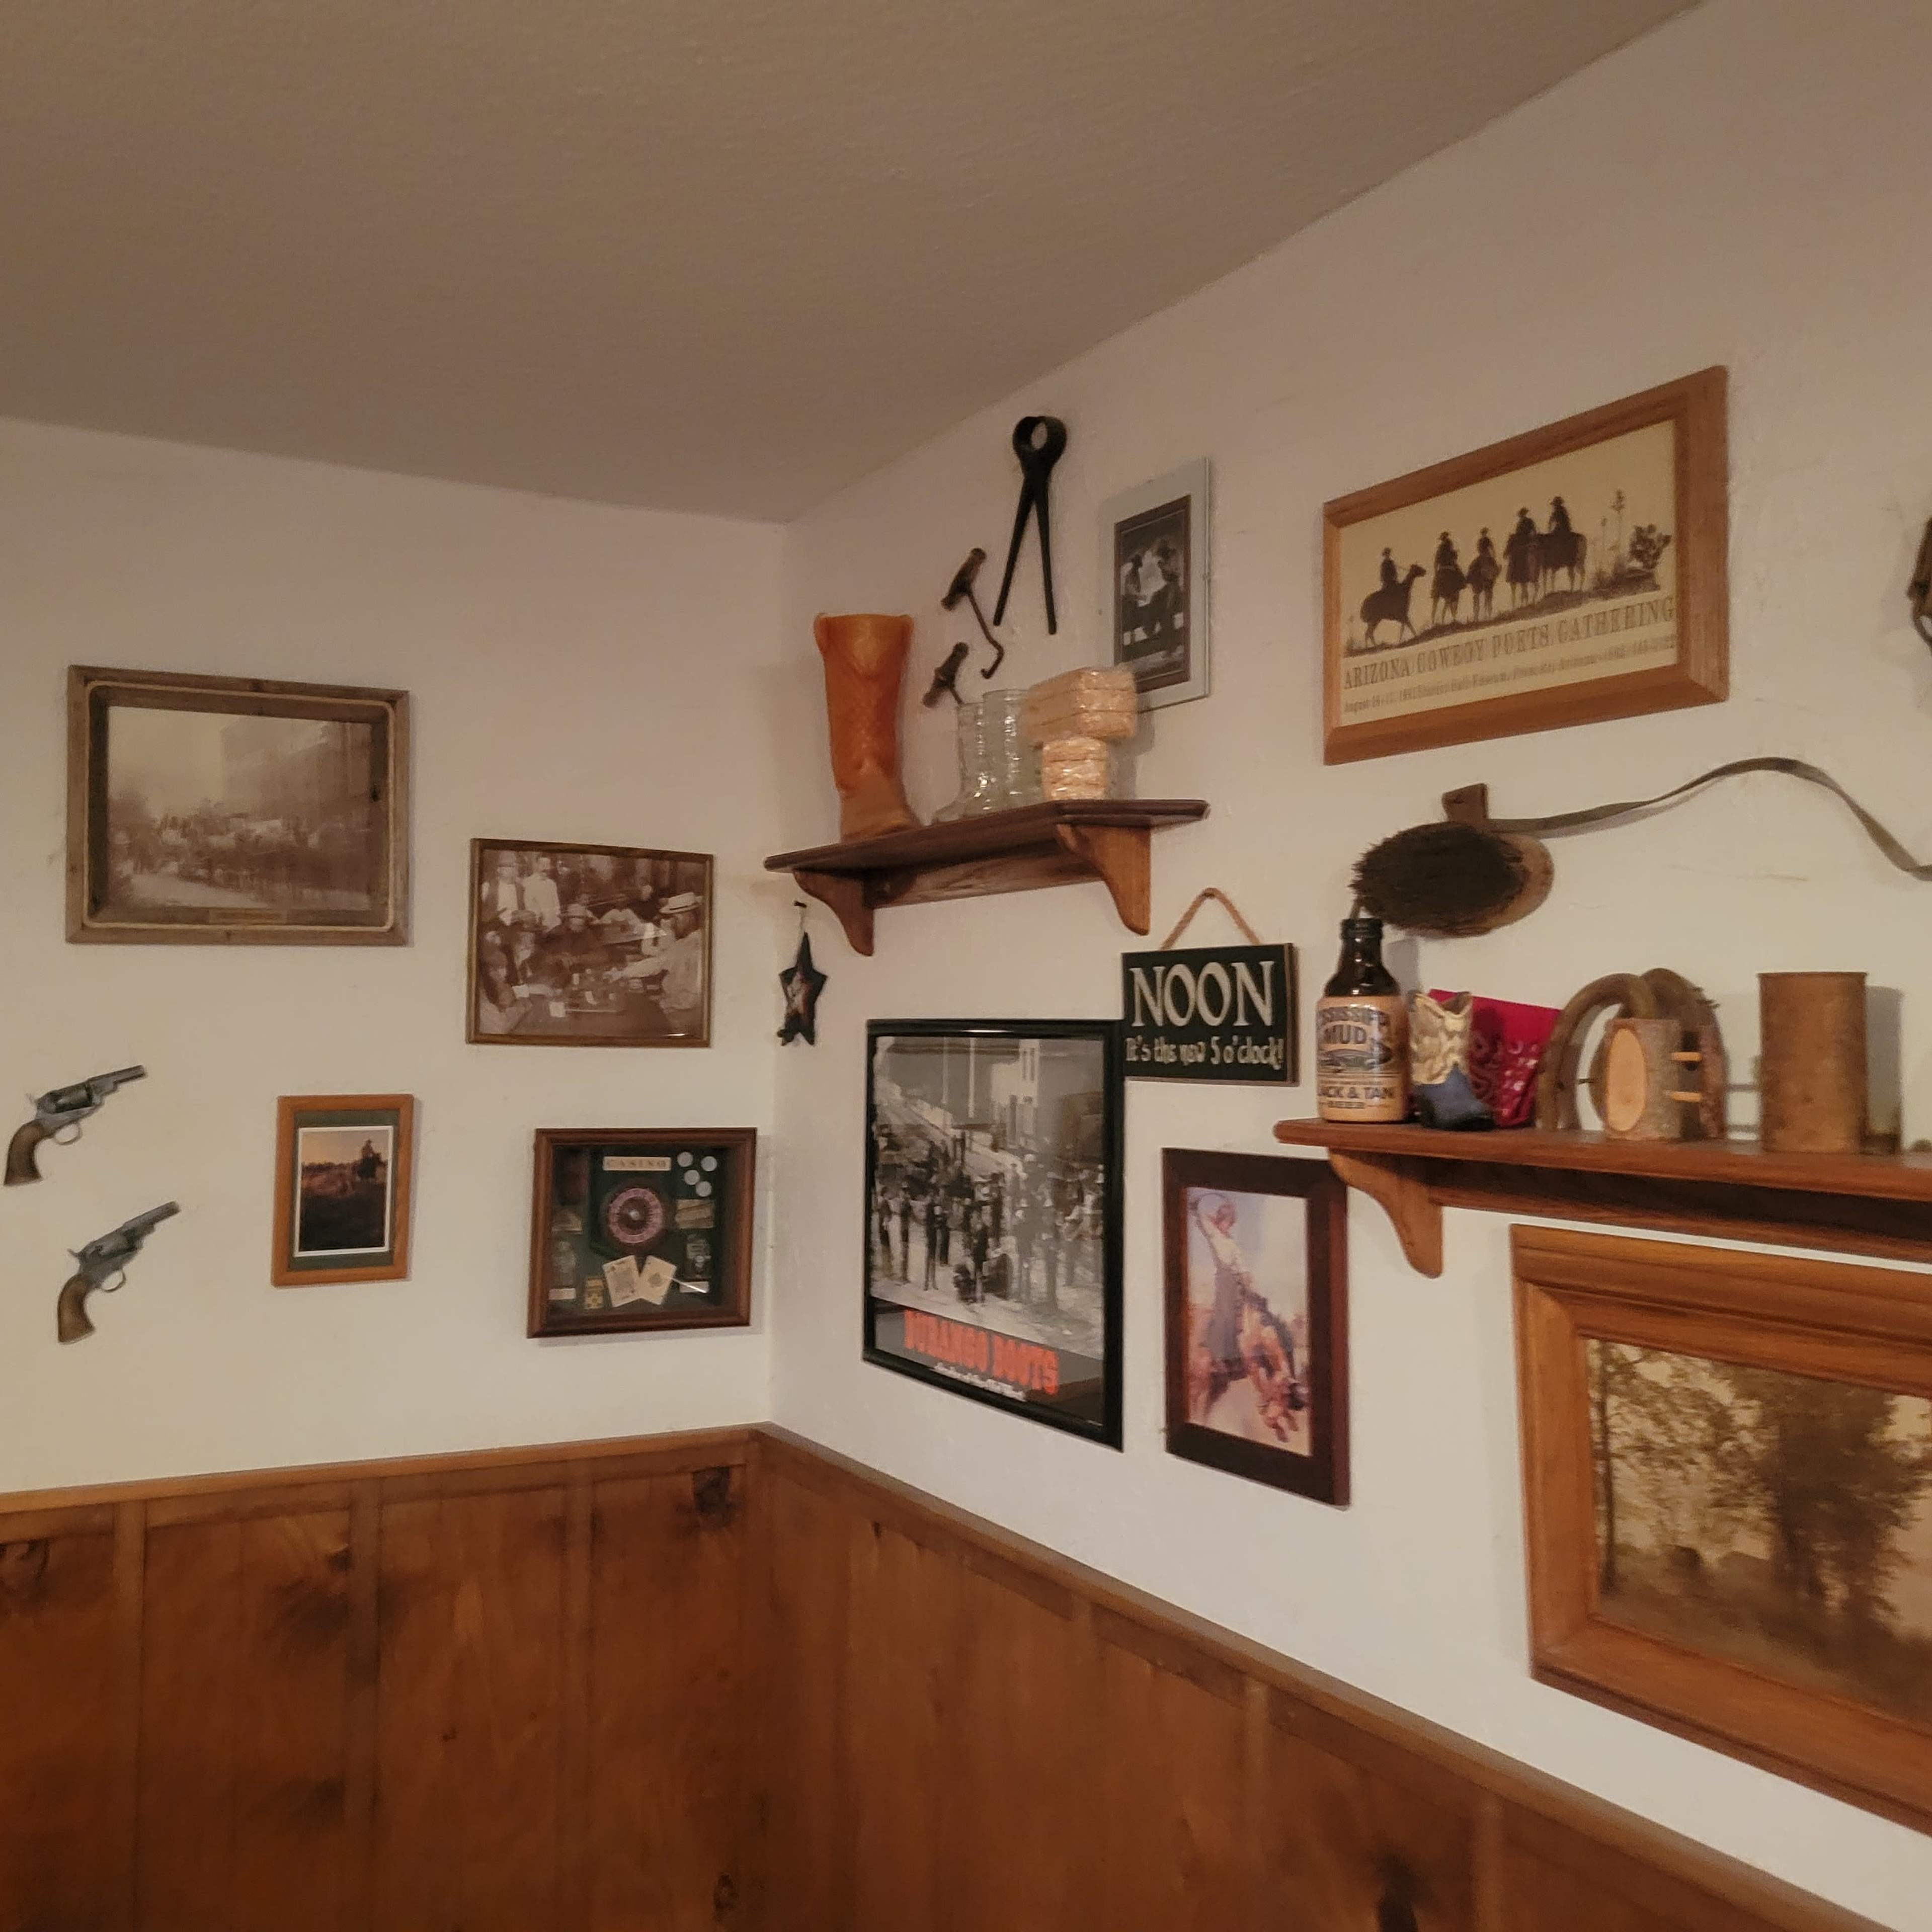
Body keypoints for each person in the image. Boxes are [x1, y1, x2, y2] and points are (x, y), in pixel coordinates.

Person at [653, 892, 706, 1035]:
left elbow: (692, 998)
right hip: (676, 1008)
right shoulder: (688, 942)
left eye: (676, 919)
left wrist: (665, 1003)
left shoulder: (693, 945)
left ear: (689, 918)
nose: (672, 925)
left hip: (683, 1018)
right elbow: (660, 963)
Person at [520, 853, 561, 930]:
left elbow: (557, 905)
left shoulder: (552, 884)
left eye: (547, 865)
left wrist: (558, 922)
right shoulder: (528, 883)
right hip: (538, 927)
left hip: (554, 926)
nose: (545, 868)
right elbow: (528, 906)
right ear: (537, 865)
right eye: (542, 864)